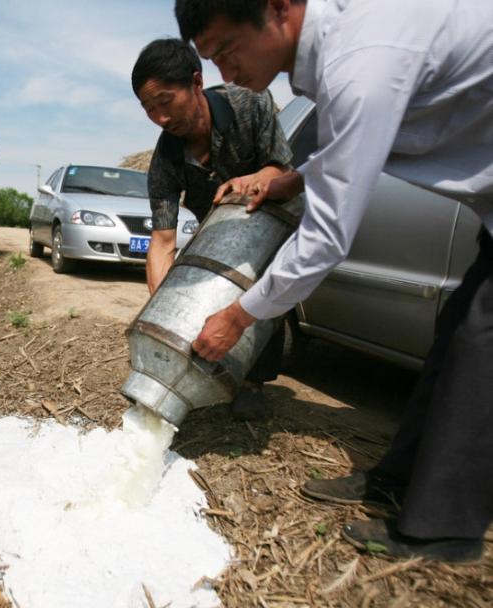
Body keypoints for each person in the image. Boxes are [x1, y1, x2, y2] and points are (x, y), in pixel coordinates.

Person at [174, 0, 493, 562]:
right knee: (456, 342)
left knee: (479, 346)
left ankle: (442, 528)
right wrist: (290, 180)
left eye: (227, 50)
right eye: (211, 58)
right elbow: (358, 141)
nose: (226, 73)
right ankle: (398, 482)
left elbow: (327, 237)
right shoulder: (341, 57)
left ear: (278, 8)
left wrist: (239, 315)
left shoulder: (360, 57)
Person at [131, 38, 294, 421]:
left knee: (260, 294)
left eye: (166, 102)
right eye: (149, 109)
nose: (161, 118)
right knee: (205, 298)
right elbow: (163, 241)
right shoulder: (166, 158)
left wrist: (254, 179)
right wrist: (165, 310)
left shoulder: (249, 104)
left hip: (266, 220)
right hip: (214, 237)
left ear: (196, 82)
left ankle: (253, 383)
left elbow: (282, 168)